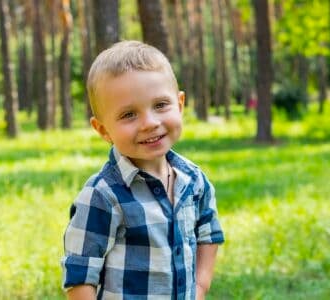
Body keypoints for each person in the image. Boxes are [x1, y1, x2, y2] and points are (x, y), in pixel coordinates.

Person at [61, 40, 224, 300]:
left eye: (160, 105)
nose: (150, 123)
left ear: (180, 104)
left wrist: (200, 288)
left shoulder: (193, 180)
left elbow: (209, 233)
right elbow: (81, 272)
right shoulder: (103, 195)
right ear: (103, 130)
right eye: (129, 115)